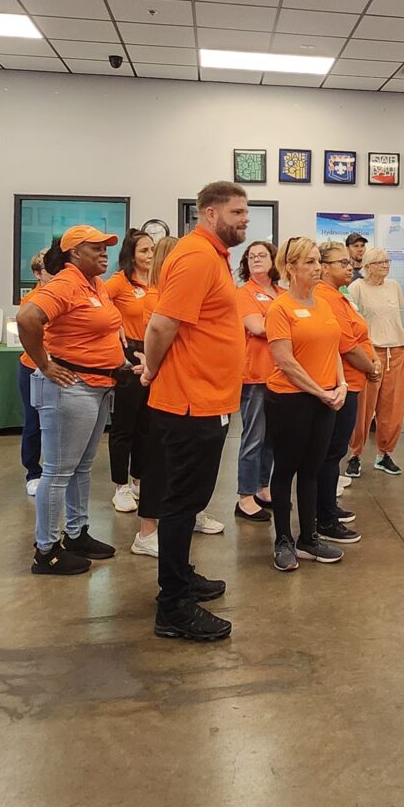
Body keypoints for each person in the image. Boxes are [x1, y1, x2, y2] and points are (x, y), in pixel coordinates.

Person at [140, 184, 252, 641]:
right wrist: (150, 369)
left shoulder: (213, 255)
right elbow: (162, 324)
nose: (246, 219)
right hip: (189, 402)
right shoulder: (196, 256)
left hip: (209, 400)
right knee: (182, 504)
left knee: (191, 501)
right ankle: (173, 607)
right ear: (209, 213)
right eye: (238, 212)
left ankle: (181, 577)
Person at [19, 227, 127, 577]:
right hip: (71, 386)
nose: (104, 252)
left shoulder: (93, 284)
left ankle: (77, 533)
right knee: (58, 471)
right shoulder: (66, 283)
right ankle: (46, 550)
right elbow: (27, 318)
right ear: (73, 254)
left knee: (81, 467)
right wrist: (44, 364)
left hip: (96, 385)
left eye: (105, 247)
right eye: (95, 248)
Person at [262, 237, 348, 571]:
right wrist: (321, 391)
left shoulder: (324, 304)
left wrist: (339, 384)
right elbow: (285, 362)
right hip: (289, 400)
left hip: (325, 398)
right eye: (310, 262)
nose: (317, 268)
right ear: (291, 267)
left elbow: (333, 349)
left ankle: (308, 538)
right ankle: (283, 540)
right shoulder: (280, 308)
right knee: (285, 471)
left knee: (311, 471)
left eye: (318, 262)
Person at [314, 242, 377, 545]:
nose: (349, 266)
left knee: (334, 452)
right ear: (324, 267)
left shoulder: (339, 297)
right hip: (343, 384)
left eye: (348, 262)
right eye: (341, 262)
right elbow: (347, 346)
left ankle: (328, 508)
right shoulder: (325, 298)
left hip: (353, 382)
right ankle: (323, 519)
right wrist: (373, 367)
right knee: (331, 452)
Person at [127, 235, 181, 559]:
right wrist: (150, 368)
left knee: (178, 465)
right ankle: (147, 531)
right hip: (161, 391)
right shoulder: (156, 297)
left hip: (183, 393)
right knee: (157, 462)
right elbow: (157, 341)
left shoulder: (173, 295)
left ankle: (183, 516)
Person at [104, 229, 157, 515]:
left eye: (152, 250)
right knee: (124, 423)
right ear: (131, 255)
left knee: (146, 424)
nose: (149, 255)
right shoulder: (119, 282)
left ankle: (138, 478)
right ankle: (120, 486)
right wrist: (116, 322)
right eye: (144, 251)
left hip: (155, 355)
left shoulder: (159, 282)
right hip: (129, 355)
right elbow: (97, 300)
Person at [347, 249, 404, 475]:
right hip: (370, 353)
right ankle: (355, 454)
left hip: (397, 350)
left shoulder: (393, 286)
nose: (385, 265)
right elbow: (352, 322)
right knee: (364, 408)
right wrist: (368, 354)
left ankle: (385, 454)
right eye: (380, 261)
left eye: (387, 261)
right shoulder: (357, 288)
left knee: (393, 406)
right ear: (369, 265)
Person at [231, 240, 279, 523]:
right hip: (255, 375)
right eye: (251, 256)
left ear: (274, 261)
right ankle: (245, 496)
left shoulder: (282, 292)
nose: (256, 260)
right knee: (253, 437)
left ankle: (263, 488)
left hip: (279, 376)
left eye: (262, 255)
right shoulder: (244, 293)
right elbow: (257, 327)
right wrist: (289, 321)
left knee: (272, 438)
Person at [15, 252, 51, 497]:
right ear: (38, 273)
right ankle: (33, 472)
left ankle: (55, 470)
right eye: (48, 269)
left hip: (59, 367)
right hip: (33, 368)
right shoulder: (32, 300)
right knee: (34, 422)